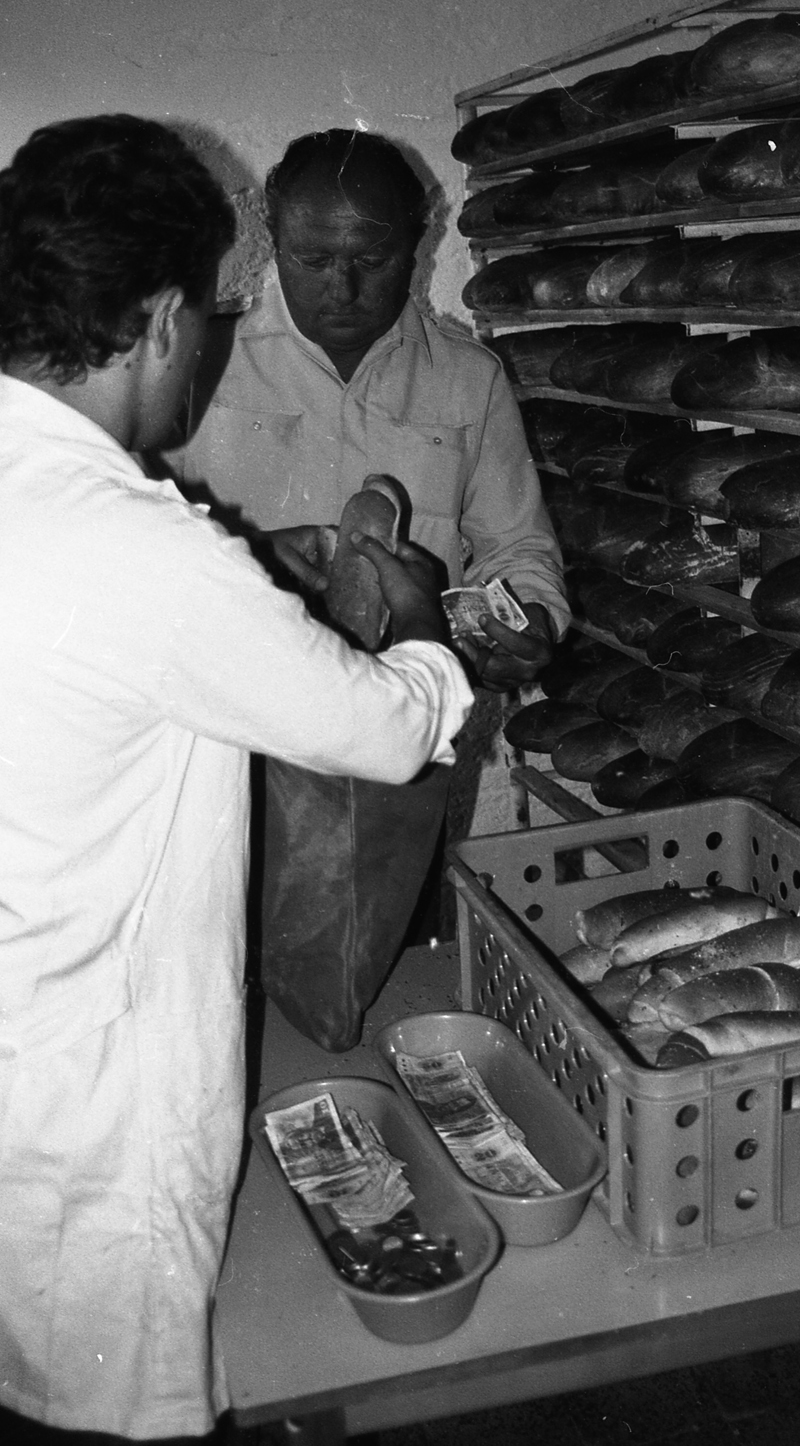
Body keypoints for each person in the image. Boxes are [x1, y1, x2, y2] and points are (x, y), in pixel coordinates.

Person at [0, 113, 472, 1444]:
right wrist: (420, 620)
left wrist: (254, 582)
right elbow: (387, 731)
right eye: (209, 316)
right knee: (109, 1396)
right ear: (161, 321)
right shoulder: (138, 547)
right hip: (90, 1099)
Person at [164, 129, 570, 1049]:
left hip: (406, 763)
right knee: (227, 991)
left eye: (372, 260)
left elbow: (517, 547)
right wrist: (255, 559)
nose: (342, 290)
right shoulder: (197, 364)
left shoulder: (467, 379)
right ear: (271, 239)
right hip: (237, 754)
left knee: (389, 984)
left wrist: (529, 619)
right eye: (313, 260)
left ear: (421, 242)